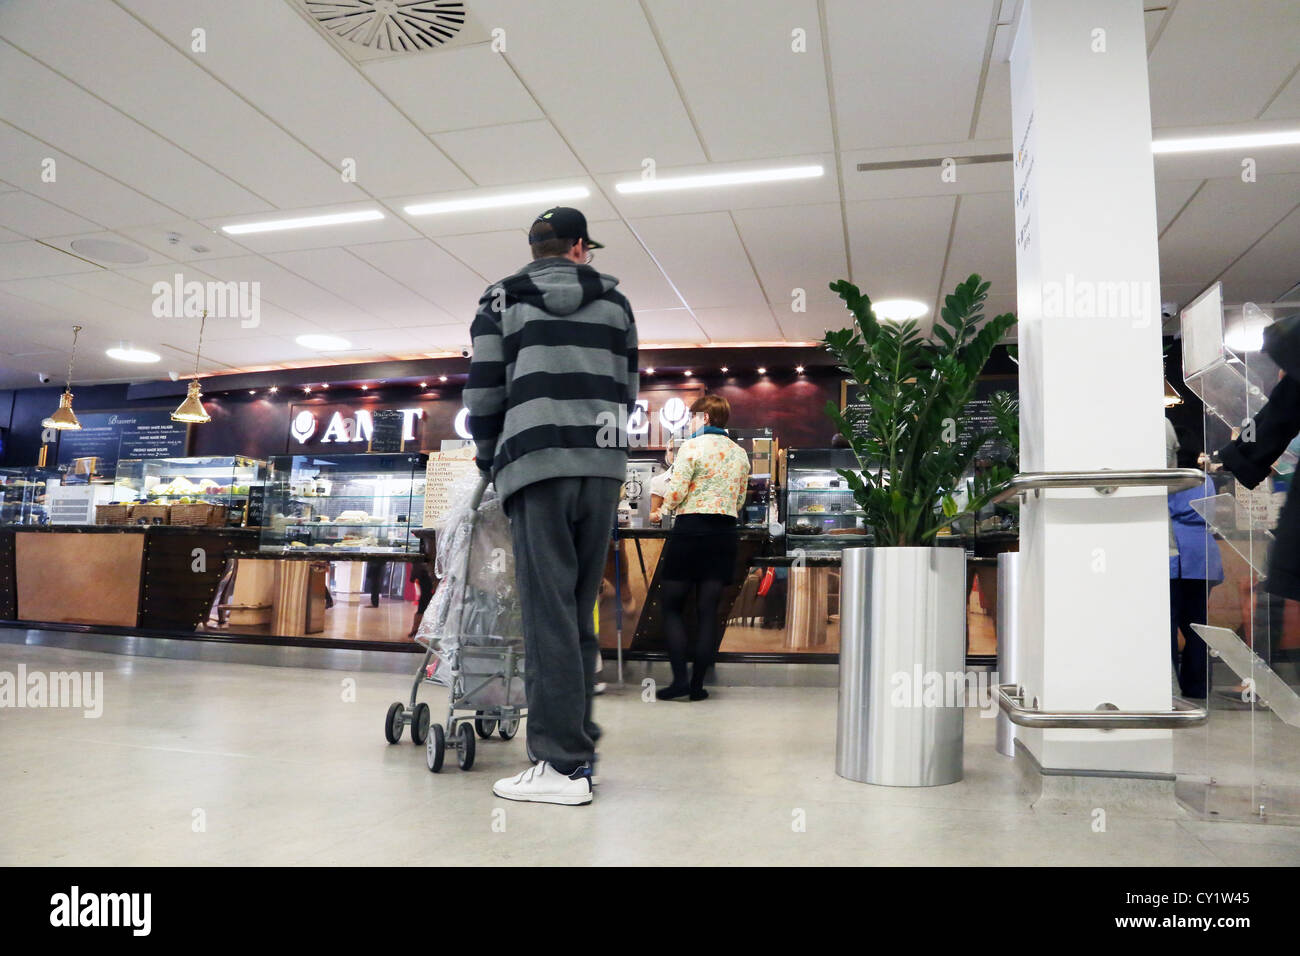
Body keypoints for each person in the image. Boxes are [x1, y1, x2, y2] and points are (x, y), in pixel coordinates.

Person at [464, 206, 638, 806]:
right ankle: (576, 749)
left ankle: (559, 766)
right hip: (602, 467)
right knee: (578, 610)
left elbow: (484, 389)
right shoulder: (617, 305)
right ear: (580, 248)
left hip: (537, 468)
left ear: (535, 248)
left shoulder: (499, 301)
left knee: (547, 618)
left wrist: (492, 460)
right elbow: (628, 388)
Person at [649, 395, 751, 700]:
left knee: (671, 607)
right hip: (723, 534)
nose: (690, 422)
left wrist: (663, 510)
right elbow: (740, 500)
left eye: (693, 417)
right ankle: (697, 686)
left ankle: (679, 680)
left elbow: (677, 490)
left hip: (690, 530)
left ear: (705, 417)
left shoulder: (691, 447)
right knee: (708, 613)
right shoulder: (739, 453)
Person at [1168, 429, 1222, 701]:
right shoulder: (1206, 481)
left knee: (1168, 622)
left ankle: (1168, 687)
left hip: (1175, 555)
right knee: (1198, 625)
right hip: (1204, 556)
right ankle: (1198, 686)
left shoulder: (1169, 481)